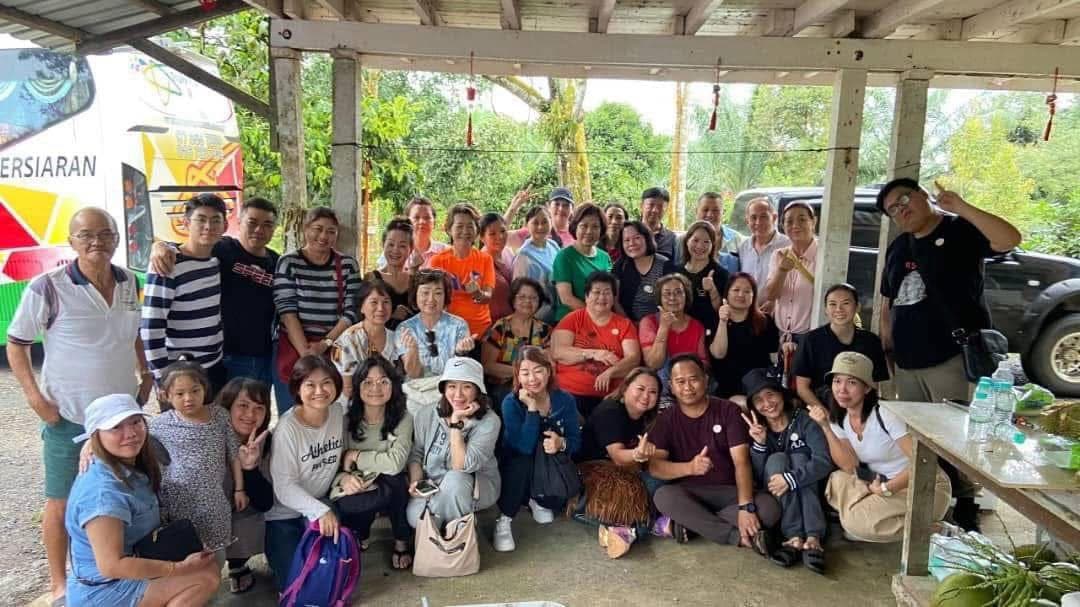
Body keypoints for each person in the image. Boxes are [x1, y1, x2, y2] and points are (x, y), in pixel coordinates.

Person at [6, 206, 150, 604]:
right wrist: (36, 399)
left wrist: (146, 374)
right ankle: (59, 584)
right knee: (61, 500)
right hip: (70, 418)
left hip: (121, 419)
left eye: (105, 234)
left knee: (120, 496)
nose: (96, 242)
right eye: (85, 235)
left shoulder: (129, 281)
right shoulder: (48, 287)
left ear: (117, 239)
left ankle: (115, 569)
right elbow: (17, 344)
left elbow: (133, 333)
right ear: (71, 241)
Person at [878, 178, 1021, 531]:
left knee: (958, 438)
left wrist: (962, 207)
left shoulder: (960, 230)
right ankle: (932, 506)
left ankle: (966, 505)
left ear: (923, 195)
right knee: (918, 443)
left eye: (904, 200)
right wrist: (887, 348)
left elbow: (1009, 239)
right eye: (893, 209)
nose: (901, 210)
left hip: (951, 358)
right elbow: (887, 302)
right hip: (907, 363)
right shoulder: (899, 247)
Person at [65, 394, 219, 606]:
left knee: (205, 564)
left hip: (131, 561)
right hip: (105, 587)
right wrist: (178, 568)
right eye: (115, 427)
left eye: (136, 422)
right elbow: (111, 566)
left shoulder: (128, 460)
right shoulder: (102, 495)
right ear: (95, 435)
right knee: (204, 578)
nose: (130, 433)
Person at [809, 351, 952, 543]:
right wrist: (826, 427)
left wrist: (887, 488)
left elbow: (923, 461)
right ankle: (870, 520)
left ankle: (938, 530)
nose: (842, 389)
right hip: (880, 481)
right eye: (837, 381)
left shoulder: (885, 414)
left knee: (855, 522)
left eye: (852, 382)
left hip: (924, 485)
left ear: (867, 387)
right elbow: (849, 466)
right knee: (836, 481)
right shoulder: (840, 417)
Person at [648, 355, 780, 554]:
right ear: (671, 387)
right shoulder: (666, 419)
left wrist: (746, 507)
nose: (687, 387)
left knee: (770, 509)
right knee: (663, 496)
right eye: (680, 382)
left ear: (706, 380)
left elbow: (742, 462)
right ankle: (734, 536)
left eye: (693, 379)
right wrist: (690, 468)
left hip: (730, 492)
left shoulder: (729, 410)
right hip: (690, 493)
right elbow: (655, 466)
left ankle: (692, 523)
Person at [150, 197, 281, 384]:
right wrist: (160, 246)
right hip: (227, 356)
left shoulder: (277, 263)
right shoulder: (222, 249)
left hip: (263, 355)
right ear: (238, 223)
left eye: (267, 224)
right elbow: (188, 247)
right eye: (252, 222)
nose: (259, 230)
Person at [264, 355, 347, 590]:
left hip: (321, 501)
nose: (319, 391)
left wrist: (347, 474)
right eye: (310, 384)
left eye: (326, 383)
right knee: (294, 583)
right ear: (297, 389)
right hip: (284, 513)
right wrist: (320, 511)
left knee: (330, 576)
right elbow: (284, 487)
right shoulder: (287, 429)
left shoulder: (337, 412)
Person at [149, 357, 244, 552]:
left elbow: (234, 455)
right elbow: (133, 435)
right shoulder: (159, 424)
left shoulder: (220, 415)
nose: (188, 398)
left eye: (195, 391)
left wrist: (239, 489)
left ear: (205, 389)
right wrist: (91, 443)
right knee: (186, 551)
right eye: (180, 393)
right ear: (166, 395)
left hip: (214, 500)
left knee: (216, 553)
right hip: (178, 500)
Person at [742, 369, 831, 574]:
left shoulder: (804, 420)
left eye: (770, 394)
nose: (767, 403)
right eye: (759, 400)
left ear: (781, 395)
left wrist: (791, 479)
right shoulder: (758, 429)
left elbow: (823, 461)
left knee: (800, 458)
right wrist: (760, 444)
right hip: (777, 496)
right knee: (777, 459)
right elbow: (758, 476)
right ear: (754, 407)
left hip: (812, 489)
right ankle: (794, 535)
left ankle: (813, 535)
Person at [273, 207, 362, 411]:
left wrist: (324, 344)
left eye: (331, 231)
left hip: (334, 346)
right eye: (318, 229)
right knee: (293, 411)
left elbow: (352, 311)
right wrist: (306, 353)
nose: (323, 236)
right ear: (306, 229)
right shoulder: (288, 263)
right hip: (295, 347)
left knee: (330, 409)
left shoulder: (348, 265)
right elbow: (287, 311)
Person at [494, 347, 581, 552]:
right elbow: (523, 446)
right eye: (525, 373)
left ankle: (533, 499)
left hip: (548, 464)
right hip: (516, 465)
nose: (532, 379)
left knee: (553, 504)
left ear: (548, 371)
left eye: (538, 371)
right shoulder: (511, 403)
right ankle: (505, 518)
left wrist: (561, 443)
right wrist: (532, 408)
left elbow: (576, 442)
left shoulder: (565, 400)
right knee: (522, 460)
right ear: (518, 376)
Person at [141, 193, 229, 395]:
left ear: (224, 226)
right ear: (186, 223)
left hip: (214, 366)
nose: (208, 226)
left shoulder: (215, 261)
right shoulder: (167, 265)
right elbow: (151, 327)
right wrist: (162, 378)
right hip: (181, 374)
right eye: (201, 220)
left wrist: (161, 243)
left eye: (215, 220)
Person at [334, 355, 414, 569]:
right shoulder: (345, 421)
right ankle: (361, 532)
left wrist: (356, 456)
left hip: (391, 483)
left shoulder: (403, 418)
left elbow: (396, 463)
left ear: (393, 386)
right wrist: (345, 479)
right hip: (361, 484)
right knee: (351, 501)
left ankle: (401, 539)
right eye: (367, 382)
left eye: (383, 381)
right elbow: (336, 466)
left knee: (396, 481)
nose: (375, 388)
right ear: (357, 387)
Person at [406, 357, 501, 530]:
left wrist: (456, 422)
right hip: (434, 485)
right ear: (444, 389)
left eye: (467, 386)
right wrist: (416, 482)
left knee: (454, 482)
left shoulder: (490, 421)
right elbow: (417, 454)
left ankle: (452, 537)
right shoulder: (425, 413)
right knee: (414, 518)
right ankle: (452, 530)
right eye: (452, 386)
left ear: (477, 390)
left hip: (474, 485)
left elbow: (461, 466)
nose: (458, 395)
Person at [577, 367, 662, 559]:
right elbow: (618, 456)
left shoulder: (649, 417)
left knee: (658, 482)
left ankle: (633, 529)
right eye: (640, 389)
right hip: (594, 469)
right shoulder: (610, 411)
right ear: (625, 388)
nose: (646, 396)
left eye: (653, 392)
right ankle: (635, 529)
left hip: (627, 466)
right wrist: (639, 454)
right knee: (636, 492)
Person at [551, 272, 641, 418]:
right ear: (586, 297)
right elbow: (558, 352)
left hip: (609, 396)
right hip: (570, 392)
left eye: (607, 293)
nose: (602, 297)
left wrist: (610, 373)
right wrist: (594, 353)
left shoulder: (624, 324)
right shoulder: (572, 319)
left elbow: (633, 358)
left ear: (613, 298)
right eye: (596, 292)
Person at [793, 283, 889, 411]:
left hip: (858, 410)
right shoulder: (810, 340)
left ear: (857, 307)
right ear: (826, 309)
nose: (839, 309)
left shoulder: (871, 341)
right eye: (832, 304)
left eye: (846, 303)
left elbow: (874, 385)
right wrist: (826, 415)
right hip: (821, 409)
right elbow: (802, 388)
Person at [219, 377, 274, 594]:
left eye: (259, 408)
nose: (250, 414)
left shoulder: (266, 442)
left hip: (241, 510)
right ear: (227, 407)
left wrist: (249, 469)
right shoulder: (207, 436)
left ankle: (237, 563)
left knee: (251, 524)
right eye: (242, 405)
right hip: (211, 509)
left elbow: (265, 502)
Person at [395, 270, 475, 410]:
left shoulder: (459, 325)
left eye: (438, 293)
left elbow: (460, 372)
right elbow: (414, 374)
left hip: (450, 391)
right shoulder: (405, 329)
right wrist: (413, 350)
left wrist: (460, 352)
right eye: (425, 293)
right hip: (418, 392)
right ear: (415, 295)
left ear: (445, 296)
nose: (431, 299)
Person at [481, 277, 553, 408]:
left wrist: (531, 378)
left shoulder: (544, 330)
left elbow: (549, 364)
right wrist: (521, 373)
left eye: (533, 298)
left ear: (539, 302)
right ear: (513, 301)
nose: (527, 301)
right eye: (522, 297)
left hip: (536, 384)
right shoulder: (500, 327)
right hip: (503, 384)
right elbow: (488, 366)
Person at [429, 203, 497, 338]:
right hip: (449, 331)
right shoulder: (438, 261)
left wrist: (478, 294)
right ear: (449, 230)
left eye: (470, 226)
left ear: (477, 230)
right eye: (459, 226)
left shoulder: (485, 259)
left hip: (480, 330)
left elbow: (488, 297)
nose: (465, 231)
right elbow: (434, 299)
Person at [710, 273, 780, 401]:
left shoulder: (765, 321)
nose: (741, 295)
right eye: (736, 290)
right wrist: (723, 321)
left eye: (747, 291)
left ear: (753, 296)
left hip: (758, 386)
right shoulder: (715, 319)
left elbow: (774, 359)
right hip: (726, 386)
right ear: (727, 293)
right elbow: (718, 354)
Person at [332, 280, 405, 399]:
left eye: (386, 302)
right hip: (355, 403)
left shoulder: (397, 337)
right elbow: (348, 389)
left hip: (391, 401)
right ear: (361, 307)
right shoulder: (346, 341)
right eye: (374, 302)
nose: (381, 308)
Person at [764, 202, 818, 348]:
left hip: (811, 337)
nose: (795, 225)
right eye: (789, 221)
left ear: (814, 222)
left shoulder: (824, 255)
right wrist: (782, 271)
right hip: (782, 333)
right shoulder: (778, 255)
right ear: (783, 226)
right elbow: (770, 295)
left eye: (802, 219)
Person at [639, 274, 708, 385]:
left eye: (678, 292)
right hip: (660, 384)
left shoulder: (697, 326)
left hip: (689, 382)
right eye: (667, 293)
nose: (672, 298)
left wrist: (685, 372)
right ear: (660, 298)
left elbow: (704, 362)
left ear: (686, 296)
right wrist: (663, 328)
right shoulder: (648, 322)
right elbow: (653, 364)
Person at [552, 202, 611, 321]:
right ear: (575, 227)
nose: (589, 231)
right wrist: (596, 317)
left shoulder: (605, 257)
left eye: (595, 227)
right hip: (571, 320)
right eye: (584, 226)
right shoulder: (564, 256)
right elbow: (566, 298)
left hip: (600, 319)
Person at [613, 221, 676, 323]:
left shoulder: (665, 265)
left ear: (647, 238)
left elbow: (672, 302)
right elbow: (615, 301)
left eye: (637, 238)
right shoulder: (620, 265)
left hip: (658, 325)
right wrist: (629, 325)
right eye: (627, 240)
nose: (632, 243)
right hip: (626, 324)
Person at [676, 221, 729, 337]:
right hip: (680, 332)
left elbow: (722, 310)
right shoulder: (676, 271)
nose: (700, 246)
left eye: (706, 242)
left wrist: (712, 290)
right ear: (687, 241)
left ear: (713, 245)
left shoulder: (721, 274)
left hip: (708, 333)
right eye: (695, 240)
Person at [512, 205, 561, 322]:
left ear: (551, 222)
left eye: (544, 222)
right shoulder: (523, 256)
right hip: (535, 316)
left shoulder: (553, 246)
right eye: (535, 223)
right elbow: (517, 291)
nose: (540, 226)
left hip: (557, 311)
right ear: (527, 225)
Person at [368, 217, 416, 330]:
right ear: (383, 245)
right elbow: (362, 315)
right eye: (391, 244)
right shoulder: (372, 278)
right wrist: (391, 314)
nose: (395, 250)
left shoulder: (416, 279)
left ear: (411, 249)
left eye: (402, 246)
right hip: (380, 338)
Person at [377, 196, 449, 269]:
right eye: (416, 217)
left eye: (427, 217)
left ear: (434, 222)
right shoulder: (394, 252)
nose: (422, 222)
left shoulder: (446, 251)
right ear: (407, 222)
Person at [675, 193, 742, 271]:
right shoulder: (682, 240)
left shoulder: (737, 240)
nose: (710, 215)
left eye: (715, 210)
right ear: (696, 211)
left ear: (723, 212)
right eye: (705, 210)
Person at [737, 197, 790, 295]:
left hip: (778, 304)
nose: (758, 222)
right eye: (753, 217)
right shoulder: (743, 247)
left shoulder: (787, 245)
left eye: (764, 217)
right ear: (747, 221)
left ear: (774, 218)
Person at [505, 186, 576, 249]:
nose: (561, 209)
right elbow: (501, 236)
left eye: (566, 205)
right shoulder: (535, 231)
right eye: (557, 204)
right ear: (548, 206)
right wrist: (513, 208)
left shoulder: (577, 234)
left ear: (572, 209)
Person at [480, 212, 515, 323]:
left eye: (503, 231)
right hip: (492, 325)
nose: (499, 237)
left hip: (513, 321)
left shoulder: (508, 252)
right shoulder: (480, 263)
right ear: (482, 238)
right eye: (492, 234)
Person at [639, 187, 677, 260]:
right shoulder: (628, 233)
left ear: (666, 209)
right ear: (641, 206)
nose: (655, 210)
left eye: (660, 206)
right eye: (651, 205)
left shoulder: (671, 238)